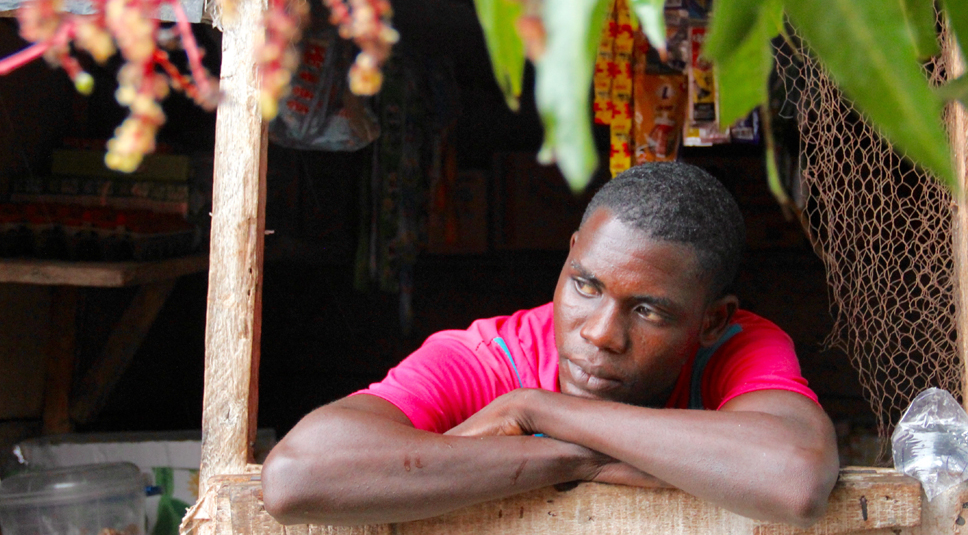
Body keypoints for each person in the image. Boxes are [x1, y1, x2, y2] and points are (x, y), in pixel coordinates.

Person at [261, 162, 839, 528]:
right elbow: (298, 479)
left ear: (711, 321)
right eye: (585, 286)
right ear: (567, 258)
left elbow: (792, 478)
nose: (599, 333)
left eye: (648, 310)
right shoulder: (495, 354)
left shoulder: (735, 346)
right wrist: (574, 457)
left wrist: (532, 411)